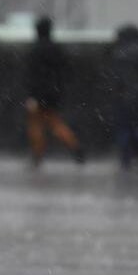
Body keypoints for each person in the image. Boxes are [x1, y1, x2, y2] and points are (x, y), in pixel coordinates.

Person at [24, 16, 85, 167]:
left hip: (38, 93)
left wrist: (32, 96)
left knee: (36, 125)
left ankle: (37, 156)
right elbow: (65, 70)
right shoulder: (57, 49)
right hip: (54, 92)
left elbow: (33, 75)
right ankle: (75, 146)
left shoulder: (35, 50)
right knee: (55, 123)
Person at [107, 24, 138, 170]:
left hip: (125, 99)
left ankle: (126, 159)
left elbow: (118, 80)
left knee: (125, 130)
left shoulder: (120, 54)